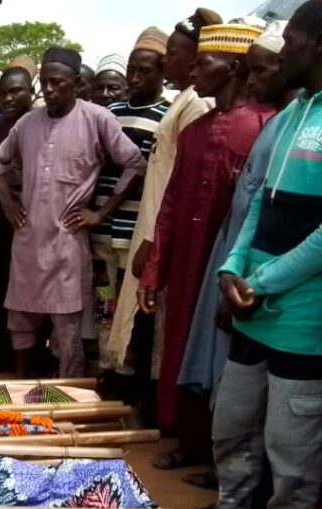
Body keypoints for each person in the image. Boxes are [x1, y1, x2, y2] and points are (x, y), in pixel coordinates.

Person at [169, 4, 322, 509]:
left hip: (303, 317)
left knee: (291, 447)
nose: (284, 53)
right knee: (232, 422)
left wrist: (267, 280)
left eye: (294, 41)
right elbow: (259, 202)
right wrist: (234, 265)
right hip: (253, 304)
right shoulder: (290, 116)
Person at [138, 24, 274, 471]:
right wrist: (156, 269)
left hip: (231, 264)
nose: (193, 72)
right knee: (181, 346)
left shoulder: (264, 127)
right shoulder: (193, 131)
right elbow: (171, 203)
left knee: (225, 356)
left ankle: (223, 457)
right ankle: (190, 440)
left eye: (202, 63)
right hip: (186, 263)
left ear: (233, 67)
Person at [0, 47, 146, 379]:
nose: (48, 90)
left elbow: (135, 163)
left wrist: (100, 213)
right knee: (20, 321)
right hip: (28, 241)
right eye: (44, 82)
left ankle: (67, 395)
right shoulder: (27, 123)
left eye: (57, 82)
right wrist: (8, 205)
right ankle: (21, 387)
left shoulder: (97, 119)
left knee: (68, 331)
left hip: (67, 244)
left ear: (76, 83)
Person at [108, 7, 223, 424]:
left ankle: (158, 415)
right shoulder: (186, 103)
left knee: (158, 330)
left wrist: (154, 242)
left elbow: (179, 186)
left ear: (194, 58)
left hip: (161, 236)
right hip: (153, 231)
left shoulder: (195, 107)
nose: (168, 62)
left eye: (173, 54)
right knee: (148, 327)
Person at [180, 22, 298, 399]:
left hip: (266, 284)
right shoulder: (280, 123)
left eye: (259, 70)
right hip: (234, 263)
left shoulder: (280, 125)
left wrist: (253, 282)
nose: (251, 81)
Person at [90, 28, 170, 376]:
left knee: (129, 303)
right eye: (131, 71)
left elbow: (146, 172)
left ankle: (126, 370)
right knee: (103, 300)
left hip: (134, 230)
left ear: (162, 73)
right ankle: (106, 364)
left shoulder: (167, 115)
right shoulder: (111, 112)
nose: (135, 78)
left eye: (144, 71)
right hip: (100, 229)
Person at [0, 64, 36, 373]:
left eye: (15, 91)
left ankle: (29, 359)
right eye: (2, 93)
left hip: (30, 218)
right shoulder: (0, 125)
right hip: (1, 219)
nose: (8, 98)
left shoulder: (39, 124)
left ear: (31, 92)